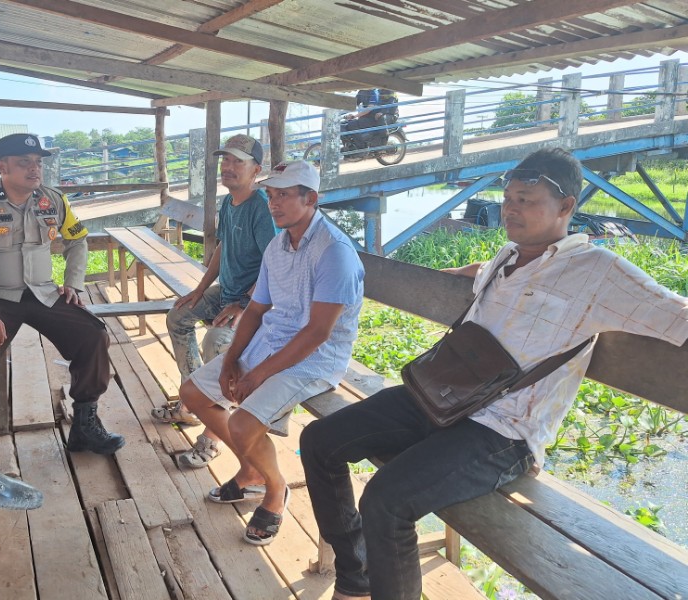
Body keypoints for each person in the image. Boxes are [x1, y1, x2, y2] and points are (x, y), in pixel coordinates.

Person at [299, 147, 688, 600]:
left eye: (527, 200)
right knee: (319, 441)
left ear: (566, 208)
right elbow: (491, 277)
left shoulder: (600, 272)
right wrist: (456, 272)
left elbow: (676, 315)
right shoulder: (506, 255)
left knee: (386, 502)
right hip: (441, 397)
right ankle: (356, 574)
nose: (511, 209)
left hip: (502, 432)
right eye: (508, 199)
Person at [180, 160, 364, 546]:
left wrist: (256, 375)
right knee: (193, 394)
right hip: (273, 340)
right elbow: (257, 310)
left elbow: (317, 332)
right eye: (271, 194)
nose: (273, 203)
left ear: (310, 199)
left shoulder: (334, 252)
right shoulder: (278, 246)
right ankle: (251, 473)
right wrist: (231, 360)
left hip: (318, 357)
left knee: (241, 425)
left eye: (284, 195)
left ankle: (275, 490)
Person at [0, 133, 125, 462]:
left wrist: (73, 283)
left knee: (94, 334)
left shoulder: (54, 200)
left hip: (42, 292)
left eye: (37, 163)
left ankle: (85, 423)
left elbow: (78, 242)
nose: (34, 169)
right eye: (23, 163)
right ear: (2, 166)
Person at [152, 134, 277, 469]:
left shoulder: (261, 206)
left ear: (256, 170)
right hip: (226, 291)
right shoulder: (229, 202)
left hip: (256, 303)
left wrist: (243, 306)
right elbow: (221, 248)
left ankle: (213, 435)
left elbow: (272, 265)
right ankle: (192, 399)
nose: (229, 167)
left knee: (217, 342)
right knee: (178, 316)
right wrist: (200, 288)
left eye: (238, 161)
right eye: (226, 160)